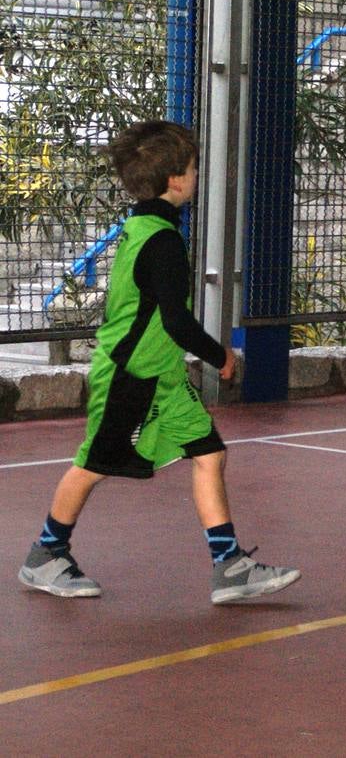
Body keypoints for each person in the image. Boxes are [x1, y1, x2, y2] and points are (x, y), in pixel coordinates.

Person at [17, 121, 300, 605]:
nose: (195, 175)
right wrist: (220, 355)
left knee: (209, 453)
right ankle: (46, 553)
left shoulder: (142, 225)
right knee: (93, 464)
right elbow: (174, 320)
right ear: (175, 180)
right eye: (192, 168)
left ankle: (229, 565)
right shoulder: (163, 241)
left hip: (162, 378)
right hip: (131, 376)